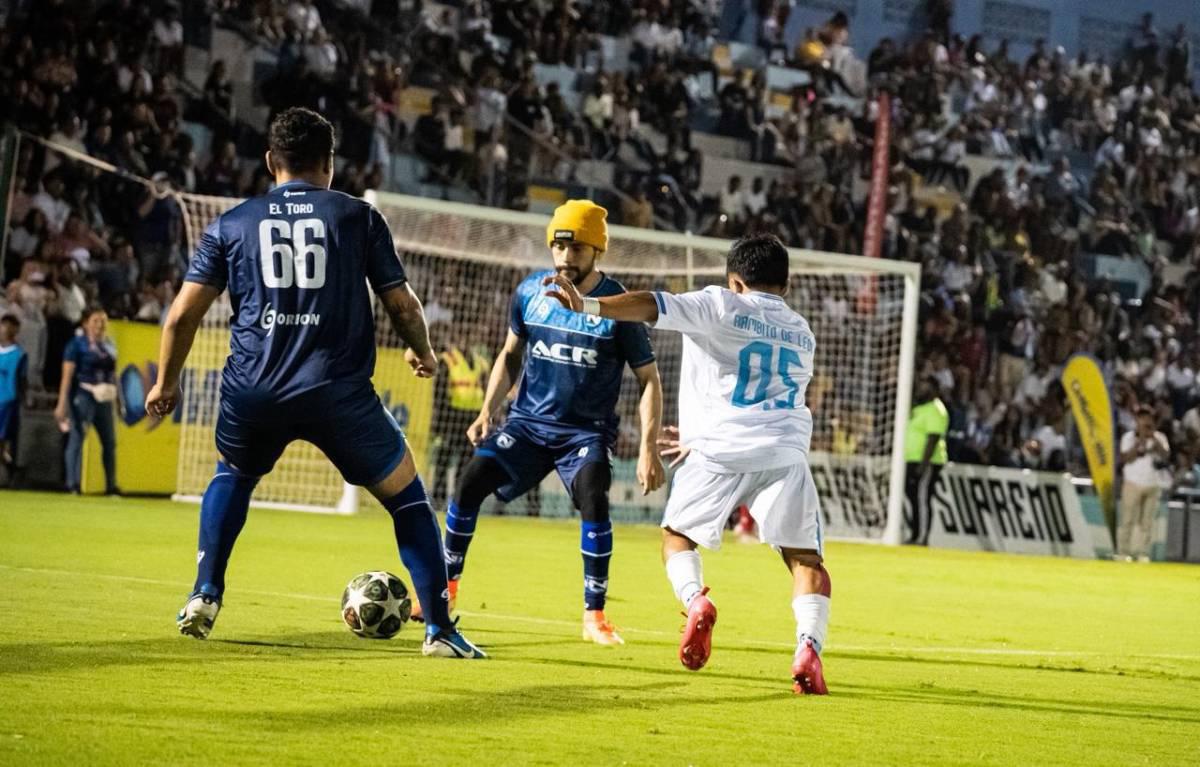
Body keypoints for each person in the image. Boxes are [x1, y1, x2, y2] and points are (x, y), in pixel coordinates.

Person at [144, 107, 483, 659]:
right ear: (329, 163)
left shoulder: (230, 224)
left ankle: (205, 593)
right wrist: (422, 352)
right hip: (337, 392)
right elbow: (401, 301)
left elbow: (181, 316)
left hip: (254, 388)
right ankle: (440, 631)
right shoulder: (357, 217)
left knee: (233, 473)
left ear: (271, 161)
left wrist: (166, 383)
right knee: (408, 501)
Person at [543, 233, 830, 695]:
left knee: (677, 537)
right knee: (806, 560)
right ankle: (808, 648)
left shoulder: (720, 303)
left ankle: (697, 603)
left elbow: (650, 304)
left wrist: (589, 307)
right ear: (787, 283)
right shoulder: (802, 330)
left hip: (717, 452)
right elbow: (755, 390)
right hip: (784, 455)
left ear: (735, 280)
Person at [427, 199, 665, 646]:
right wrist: (486, 410)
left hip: (584, 433)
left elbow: (650, 379)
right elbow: (510, 355)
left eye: (576, 250)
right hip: (527, 426)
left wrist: (649, 448)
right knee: (469, 481)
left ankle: (594, 615)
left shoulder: (619, 307)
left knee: (595, 498)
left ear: (598, 251)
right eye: (558, 249)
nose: (565, 259)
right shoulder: (530, 292)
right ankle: (447, 591)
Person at [54, 307, 119, 495]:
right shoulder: (76, 345)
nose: (100, 325)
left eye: (103, 321)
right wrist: (62, 404)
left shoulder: (109, 345)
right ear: (86, 323)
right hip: (84, 395)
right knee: (77, 438)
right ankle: (72, 483)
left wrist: (119, 401)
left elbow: (114, 375)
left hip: (104, 397)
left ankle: (111, 486)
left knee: (109, 442)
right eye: (96, 321)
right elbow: (67, 376)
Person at [1117, 405, 1170, 561]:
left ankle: (1142, 553)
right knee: (1127, 519)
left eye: (1147, 417)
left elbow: (1166, 455)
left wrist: (1152, 437)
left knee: (1147, 522)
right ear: (1136, 420)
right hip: (1132, 482)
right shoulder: (1129, 437)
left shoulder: (1159, 437)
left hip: (1153, 483)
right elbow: (1126, 458)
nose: (1145, 420)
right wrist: (1139, 441)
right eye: (1141, 417)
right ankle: (1123, 552)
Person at [903, 376, 949, 545]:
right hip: (911, 459)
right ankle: (915, 533)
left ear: (934, 390)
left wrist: (924, 464)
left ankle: (922, 537)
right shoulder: (920, 408)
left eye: (925, 386)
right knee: (913, 497)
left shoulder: (936, 409)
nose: (921, 389)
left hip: (927, 461)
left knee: (922, 498)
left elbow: (933, 438)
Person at [0, 314, 28, 482]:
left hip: (7, 402)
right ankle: (12, 470)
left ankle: (10, 472)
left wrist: (23, 398)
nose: (4, 330)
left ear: (16, 330)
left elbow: (22, 380)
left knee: (3, 440)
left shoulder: (19, 354)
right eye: (3, 326)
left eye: (9, 326)